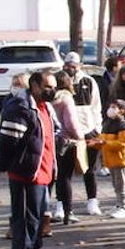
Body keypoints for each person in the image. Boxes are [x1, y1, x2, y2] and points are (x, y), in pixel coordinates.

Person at [0, 70, 59, 249]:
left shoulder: (44, 107)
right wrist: (12, 164)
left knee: (38, 218)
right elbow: (7, 141)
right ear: (34, 86)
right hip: (25, 173)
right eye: (48, 86)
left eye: (54, 86)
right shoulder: (21, 107)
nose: (52, 90)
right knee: (24, 219)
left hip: (43, 172)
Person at [64, 52, 106, 217]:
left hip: (88, 130)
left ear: (80, 65)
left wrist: (97, 129)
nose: (70, 68)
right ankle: (63, 204)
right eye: (68, 65)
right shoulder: (61, 81)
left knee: (90, 168)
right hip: (68, 133)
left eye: (73, 65)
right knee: (65, 170)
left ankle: (92, 200)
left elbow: (96, 106)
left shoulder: (89, 81)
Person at [91, 100, 125, 219]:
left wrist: (104, 142)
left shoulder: (123, 125)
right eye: (110, 106)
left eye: (114, 107)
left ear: (122, 110)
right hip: (111, 160)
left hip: (120, 159)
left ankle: (124, 207)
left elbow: (124, 144)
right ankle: (118, 204)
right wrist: (95, 142)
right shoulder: (108, 124)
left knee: (121, 184)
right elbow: (102, 139)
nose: (111, 109)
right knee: (116, 184)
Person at [50, 72, 85, 225]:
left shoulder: (48, 99)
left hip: (50, 139)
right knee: (65, 177)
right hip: (65, 141)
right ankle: (68, 212)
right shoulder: (66, 99)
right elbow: (70, 122)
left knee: (51, 178)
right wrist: (80, 136)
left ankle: (46, 211)